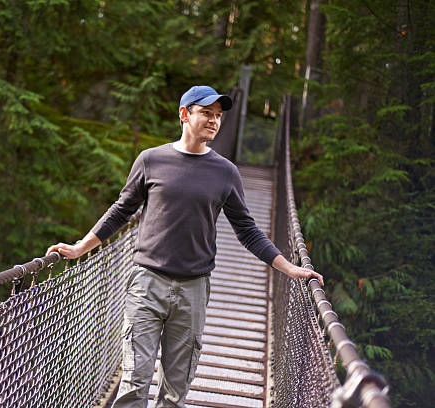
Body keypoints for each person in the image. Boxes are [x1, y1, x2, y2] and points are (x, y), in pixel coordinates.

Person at [47, 85, 324, 408]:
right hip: (147, 283)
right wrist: (81, 247)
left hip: (193, 290)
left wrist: (290, 268)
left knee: (176, 390)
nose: (214, 121)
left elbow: (247, 231)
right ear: (184, 114)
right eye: (206, 113)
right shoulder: (151, 161)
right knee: (134, 380)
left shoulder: (226, 173)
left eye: (218, 116)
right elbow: (121, 211)